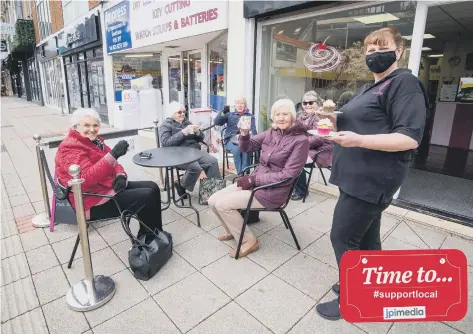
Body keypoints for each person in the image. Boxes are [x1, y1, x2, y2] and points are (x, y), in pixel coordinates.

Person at [315, 27, 427, 320]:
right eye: (370, 50)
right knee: (367, 239)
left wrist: (359, 140)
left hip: (371, 180)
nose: (375, 55)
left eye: (382, 48)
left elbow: (409, 138)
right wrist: (332, 122)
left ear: (399, 51)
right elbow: (361, 123)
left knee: (342, 237)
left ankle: (354, 300)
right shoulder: (370, 87)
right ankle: (371, 288)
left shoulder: (404, 84)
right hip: (354, 177)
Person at [208, 98, 309, 258]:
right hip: (256, 183)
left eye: (285, 114)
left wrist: (253, 180)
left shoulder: (301, 141)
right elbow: (247, 147)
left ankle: (249, 241)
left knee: (222, 205)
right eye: (277, 114)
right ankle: (232, 230)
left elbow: (288, 175)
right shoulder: (271, 132)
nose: (281, 118)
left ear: (292, 116)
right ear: (272, 117)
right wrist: (245, 134)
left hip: (273, 192)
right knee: (212, 200)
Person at [55, 108, 163, 236]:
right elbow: (85, 179)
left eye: (95, 125)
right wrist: (114, 154)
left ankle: (154, 233)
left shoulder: (95, 142)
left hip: (106, 187)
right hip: (91, 200)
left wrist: (120, 175)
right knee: (147, 195)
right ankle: (149, 237)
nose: (92, 129)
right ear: (75, 126)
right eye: (87, 125)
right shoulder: (70, 147)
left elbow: (114, 163)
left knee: (153, 186)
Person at [159, 101, 221, 197]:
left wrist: (197, 132)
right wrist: (183, 132)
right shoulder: (166, 125)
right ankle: (182, 186)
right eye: (179, 112)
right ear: (172, 113)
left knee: (212, 161)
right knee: (195, 167)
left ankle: (212, 193)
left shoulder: (187, 122)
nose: (182, 114)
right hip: (177, 154)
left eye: (184, 112)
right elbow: (166, 143)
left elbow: (201, 138)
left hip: (194, 152)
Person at [291, 91, 333, 201]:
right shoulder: (301, 116)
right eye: (305, 103)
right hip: (307, 149)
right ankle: (294, 186)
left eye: (311, 102)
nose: (307, 105)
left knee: (295, 160)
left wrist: (300, 143)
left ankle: (302, 191)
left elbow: (319, 139)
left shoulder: (320, 117)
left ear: (317, 103)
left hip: (321, 151)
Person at [214, 97, 257, 174]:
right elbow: (217, 122)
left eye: (242, 103)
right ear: (235, 105)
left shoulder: (250, 116)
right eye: (238, 103)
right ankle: (241, 174)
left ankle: (245, 173)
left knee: (246, 149)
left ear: (245, 105)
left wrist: (252, 139)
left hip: (245, 139)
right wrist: (223, 112)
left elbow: (253, 131)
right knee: (237, 150)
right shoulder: (229, 114)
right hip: (230, 140)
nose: (240, 105)